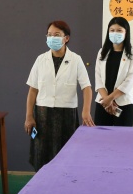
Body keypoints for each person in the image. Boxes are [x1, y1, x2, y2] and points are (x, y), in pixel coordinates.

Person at [24, 20, 94, 171]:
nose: (52, 38)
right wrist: (29, 116)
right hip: (42, 115)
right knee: (41, 155)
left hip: (66, 115)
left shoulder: (76, 59)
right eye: (49, 35)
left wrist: (86, 111)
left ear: (66, 38)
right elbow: (33, 90)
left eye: (56, 35)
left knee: (66, 156)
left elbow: (87, 87)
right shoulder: (40, 59)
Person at [94, 16, 133, 126]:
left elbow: (129, 81)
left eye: (119, 30)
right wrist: (107, 100)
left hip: (124, 104)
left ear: (126, 33)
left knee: (122, 136)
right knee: (101, 135)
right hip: (103, 103)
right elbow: (98, 79)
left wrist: (110, 98)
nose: (115, 33)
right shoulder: (102, 52)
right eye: (112, 30)